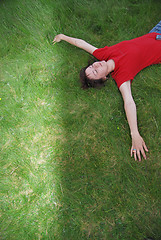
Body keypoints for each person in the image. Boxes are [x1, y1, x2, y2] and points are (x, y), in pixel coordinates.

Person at [53, 21, 161, 161]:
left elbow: (82, 44)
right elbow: (128, 102)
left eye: (92, 66)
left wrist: (63, 36)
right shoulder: (122, 75)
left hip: (155, 32)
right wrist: (134, 134)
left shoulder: (104, 54)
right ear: (104, 78)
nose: (96, 64)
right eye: (96, 71)